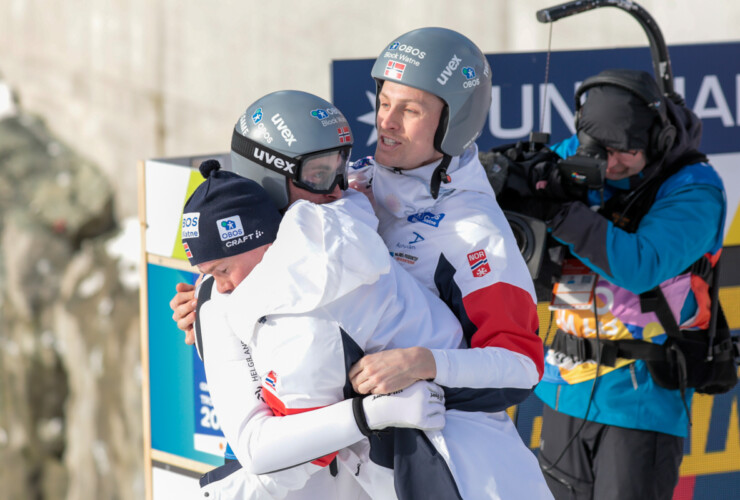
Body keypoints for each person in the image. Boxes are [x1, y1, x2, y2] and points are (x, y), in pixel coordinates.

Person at [172, 27, 544, 409]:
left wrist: (423, 363)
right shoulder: (345, 182)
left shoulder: (474, 232)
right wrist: (214, 296)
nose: (387, 122)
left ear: (455, 123)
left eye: (410, 110)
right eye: (384, 103)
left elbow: (521, 367)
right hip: (327, 431)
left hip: (421, 447)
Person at [185, 116, 551, 499]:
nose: (334, 188)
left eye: (338, 167)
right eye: (316, 173)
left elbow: (520, 369)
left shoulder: (462, 228)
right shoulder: (356, 205)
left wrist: (423, 363)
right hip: (407, 471)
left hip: (450, 472)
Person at [530, 69, 727, 500]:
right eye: (601, 151)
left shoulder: (696, 191)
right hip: (564, 385)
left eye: (626, 153)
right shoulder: (578, 155)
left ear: (655, 143)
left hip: (642, 400)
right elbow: (527, 180)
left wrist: (561, 213)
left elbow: (640, 266)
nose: (611, 164)